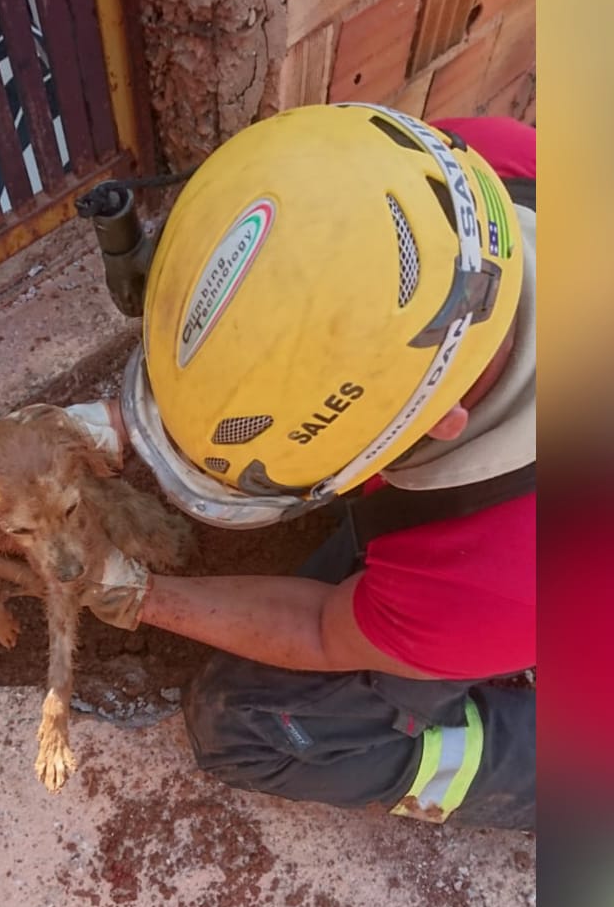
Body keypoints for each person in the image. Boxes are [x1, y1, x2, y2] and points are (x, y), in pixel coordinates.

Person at [68, 104, 535, 829]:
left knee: (245, 727)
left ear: (440, 422)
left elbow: (323, 627)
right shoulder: (469, 175)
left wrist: (136, 593)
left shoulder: (496, 576)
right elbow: (303, 318)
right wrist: (110, 426)